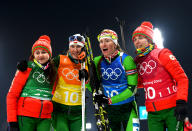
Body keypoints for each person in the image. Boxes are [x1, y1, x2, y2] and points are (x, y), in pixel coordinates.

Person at [132, 21, 189, 131]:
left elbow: (182, 78)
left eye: (140, 38)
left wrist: (181, 102)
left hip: (171, 110)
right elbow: (138, 83)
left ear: (149, 39)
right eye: (134, 39)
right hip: (153, 114)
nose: (137, 41)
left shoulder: (162, 54)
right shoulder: (137, 62)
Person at [7, 35, 57, 131]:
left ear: (50, 54)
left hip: (45, 117)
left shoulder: (53, 72)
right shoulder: (26, 68)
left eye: (43, 52)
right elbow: (12, 95)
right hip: (25, 116)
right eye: (37, 52)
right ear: (33, 55)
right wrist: (12, 122)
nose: (40, 55)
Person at [93, 29, 140, 131]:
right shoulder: (97, 61)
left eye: (107, 41)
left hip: (128, 109)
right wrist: (85, 77)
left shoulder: (126, 60)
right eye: (101, 42)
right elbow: (91, 84)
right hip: (110, 111)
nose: (103, 44)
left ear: (115, 43)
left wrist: (109, 100)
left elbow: (132, 89)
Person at [51, 34, 89, 131]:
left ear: (83, 48)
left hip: (78, 111)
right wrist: (29, 66)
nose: (75, 50)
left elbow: (89, 85)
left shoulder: (86, 64)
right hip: (59, 109)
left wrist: (87, 75)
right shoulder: (60, 59)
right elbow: (44, 66)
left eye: (78, 47)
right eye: (72, 46)